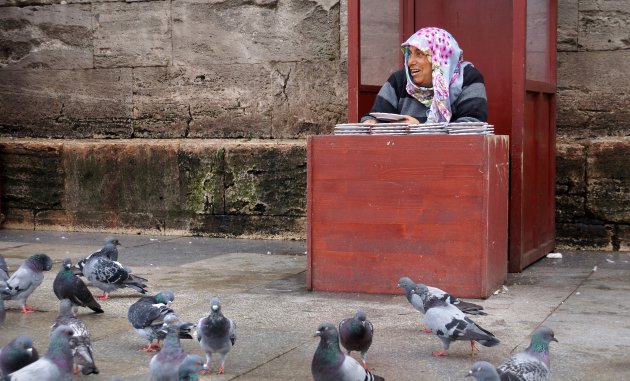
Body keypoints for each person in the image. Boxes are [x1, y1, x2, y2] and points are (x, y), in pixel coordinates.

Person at [361, 27, 487, 124]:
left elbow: (473, 127)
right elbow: (374, 116)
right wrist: (370, 122)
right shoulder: (399, 81)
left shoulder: (468, 78)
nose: (410, 62)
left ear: (439, 58)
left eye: (419, 54)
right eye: (409, 54)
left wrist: (421, 128)